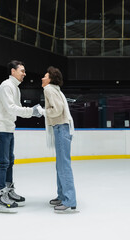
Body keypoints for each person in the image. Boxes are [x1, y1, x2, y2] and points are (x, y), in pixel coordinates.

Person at [0, 60, 41, 213]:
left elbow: (17, 110)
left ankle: (8, 190)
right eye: (22, 71)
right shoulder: (7, 86)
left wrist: (32, 113)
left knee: (10, 161)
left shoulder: (15, 88)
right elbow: (11, 108)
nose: (24, 74)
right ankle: (0, 195)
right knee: (3, 162)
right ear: (13, 71)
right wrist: (30, 111)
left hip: (9, 129)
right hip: (1, 129)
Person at [37, 66, 77, 213]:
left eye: (45, 76)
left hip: (61, 128)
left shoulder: (48, 89)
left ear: (51, 79)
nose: (42, 78)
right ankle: (62, 196)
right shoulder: (55, 89)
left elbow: (57, 110)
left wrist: (42, 111)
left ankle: (69, 200)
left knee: (63, 165)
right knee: (61, 164)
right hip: (63, 128)